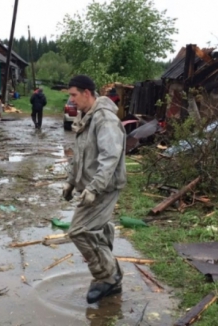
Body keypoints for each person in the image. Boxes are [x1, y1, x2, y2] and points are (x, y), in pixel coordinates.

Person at [62, 75, 127, 304]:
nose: (71, 100)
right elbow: (79, 153)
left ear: (87, 93)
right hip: (90, 186)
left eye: (73, 95)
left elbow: (110, 158)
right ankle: (112, 274)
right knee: (96, 228)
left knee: (79, 231)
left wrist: (94, 187)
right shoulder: (87, 116)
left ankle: (107, 277)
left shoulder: (105, 119)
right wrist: (71, 181)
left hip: (103, 188)